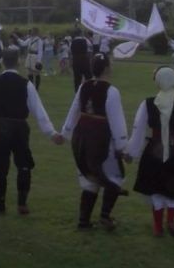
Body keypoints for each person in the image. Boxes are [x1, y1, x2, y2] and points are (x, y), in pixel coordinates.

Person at [0, 48, 64, 215]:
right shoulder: (26, 84)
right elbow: (38, 111)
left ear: (3, 61)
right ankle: (22, 204)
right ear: (19, 62)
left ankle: (0, 204)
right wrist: (51, 133)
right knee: (24, 165)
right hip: (19, 128)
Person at [128, 67, 174, 237]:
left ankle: (158, 226)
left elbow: (138, 130)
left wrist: (131, 152)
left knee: (156, 187)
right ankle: (170, 222)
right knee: (172, 185)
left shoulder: (148, 103)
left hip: (154, 150)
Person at [62, 53, 128, 231]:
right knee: (113, 175)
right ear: (106, 68)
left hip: (82, 136)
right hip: (100, 139)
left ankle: (84, 220)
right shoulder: (111, 91)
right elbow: (117, 120)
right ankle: (105, 216)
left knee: (90, 176)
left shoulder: (84, 86)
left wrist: (66, 132)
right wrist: (122, 146)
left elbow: (74, 111)